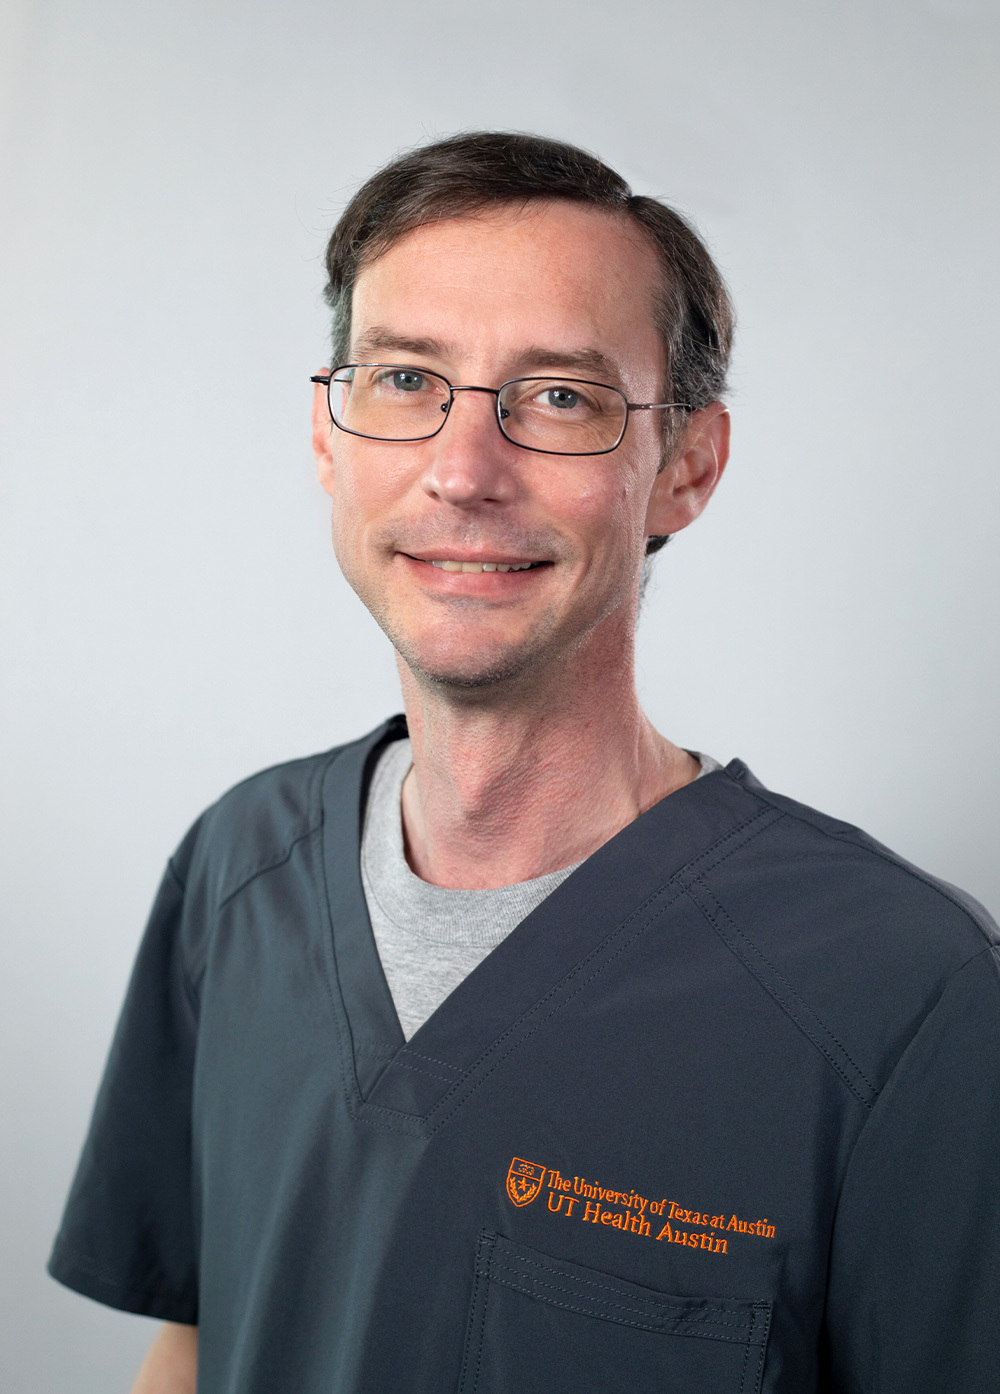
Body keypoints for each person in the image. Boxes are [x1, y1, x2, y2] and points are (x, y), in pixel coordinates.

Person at [49, 132, 1000, 1394]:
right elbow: (201, 1335)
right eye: (403, 380)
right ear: (330, 438)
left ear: (687, 467)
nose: (462, 470)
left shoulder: (906, 995)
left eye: (559, 396)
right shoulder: (238, 867)